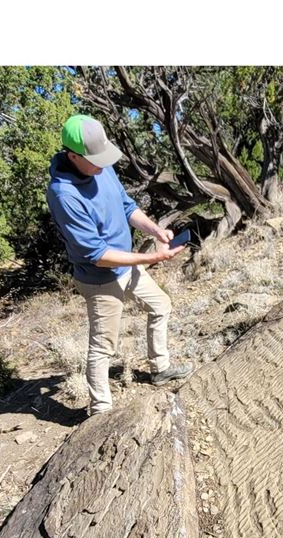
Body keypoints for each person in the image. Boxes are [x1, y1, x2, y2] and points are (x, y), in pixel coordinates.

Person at [46, 114, 194, 415]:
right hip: (99, 277)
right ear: (73, 156)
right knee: (103, 346)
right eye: (94, 159)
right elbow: (97, 254)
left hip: (128, 265)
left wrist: (155, 231)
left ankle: (160, 368)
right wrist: (151, 258)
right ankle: (101, 410)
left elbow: (126, 206)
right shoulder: (64, 194)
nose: (102, 164)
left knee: (160, 306)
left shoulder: (101, 165)